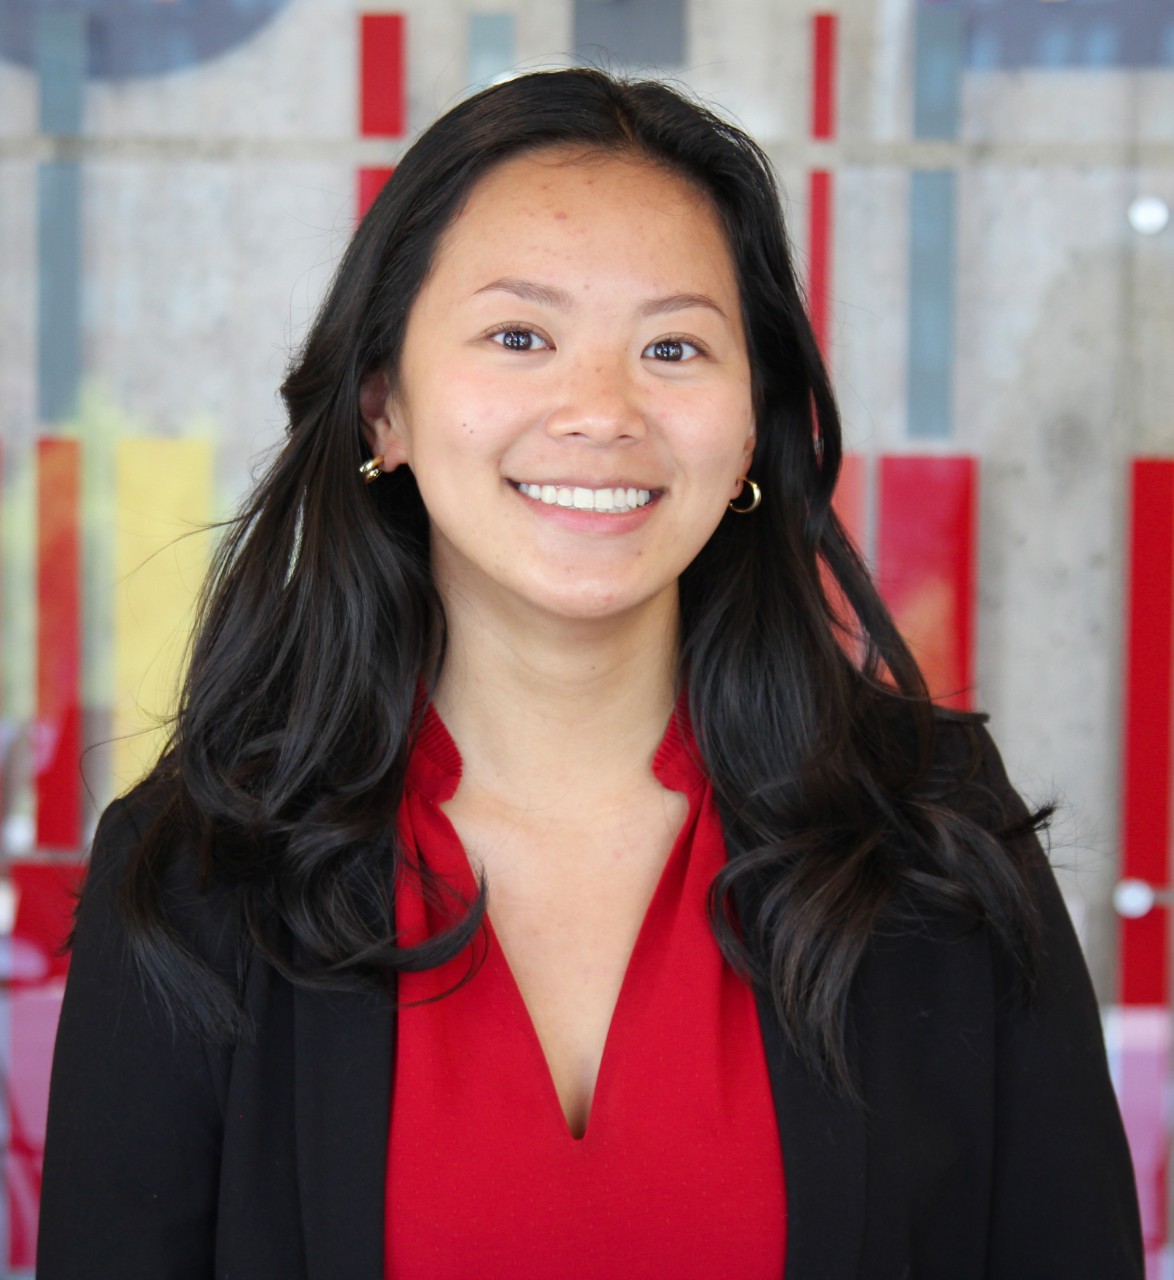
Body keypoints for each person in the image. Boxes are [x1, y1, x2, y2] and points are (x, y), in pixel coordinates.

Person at [38, 68, 1141, 1278]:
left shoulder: (927, 827)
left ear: (748, 431)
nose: (601, 409)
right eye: (520, 335)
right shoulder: (194, 868)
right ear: (382, 408)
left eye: (672, 346)